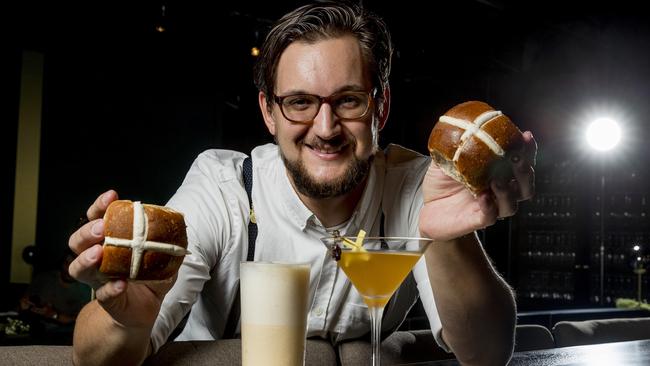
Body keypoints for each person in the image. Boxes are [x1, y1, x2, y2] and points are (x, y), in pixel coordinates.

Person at [68, 1, 537, 365]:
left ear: (382, 107)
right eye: (299, 102)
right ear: (268, 112)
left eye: (349, 100)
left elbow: (487, 355)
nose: (326, 127)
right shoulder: (223, 188)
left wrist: (446, 240)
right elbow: (96, 359)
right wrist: (125, 322)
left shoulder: (421, 185)